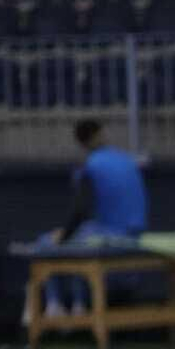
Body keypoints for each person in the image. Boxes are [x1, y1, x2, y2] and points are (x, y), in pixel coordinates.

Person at [32, 119, 148, 318]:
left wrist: (63, 236)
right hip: (135, 234)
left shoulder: (92, 165)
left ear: (81, 143)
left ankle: (55, 306)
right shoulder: (126, 160)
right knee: (84, 237)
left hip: (115, 238)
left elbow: (80, 210)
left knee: (44, 243)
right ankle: (78, 304)